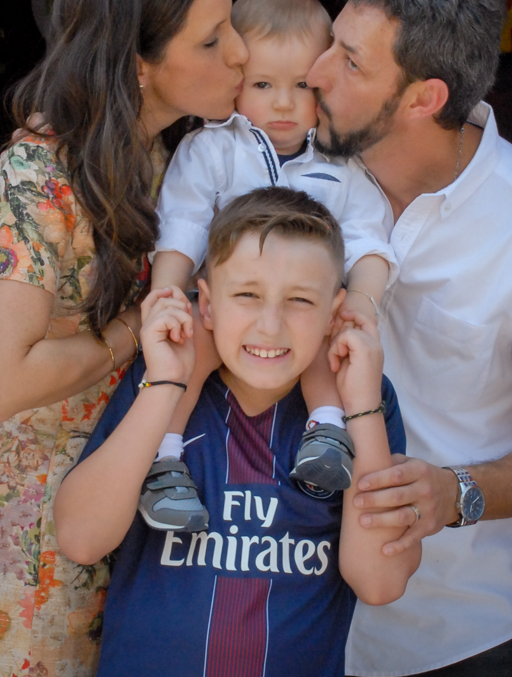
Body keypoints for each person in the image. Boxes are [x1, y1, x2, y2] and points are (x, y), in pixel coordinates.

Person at [0, 0, 248, 677]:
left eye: (231, 26)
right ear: (140, 64)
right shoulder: (41, 172)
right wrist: (132, 335)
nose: (240, 53)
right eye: (212, 41)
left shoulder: (169, 158)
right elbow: (0, 381)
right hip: (36, 529)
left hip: (143, 504)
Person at [305, 0, 512, 677]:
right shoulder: (294, 169)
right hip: (277, 594)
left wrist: (457, 493)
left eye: (349, 63)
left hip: (448, 633)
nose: (316, 75)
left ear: (423, 98)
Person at [54, 187, 420, 677]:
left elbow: (379, 582)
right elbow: (81, 539)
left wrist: (361, 408)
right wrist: (165, 384)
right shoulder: (166, 383)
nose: (270, 326)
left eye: (299, 300)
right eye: (247, 295)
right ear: (205, 304)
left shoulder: (365, 401)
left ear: (335, 313)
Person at [144, 0, 395, 529]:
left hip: (302, 312)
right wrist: (166, 295)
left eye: (301, 86)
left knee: (331, 330)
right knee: (190, 344)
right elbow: (182, 225)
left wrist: (365, 304)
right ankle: (164, 461)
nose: (282, 103)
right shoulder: (214, 149)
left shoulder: (338, 165)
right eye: (263, 85)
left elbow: (370, 240)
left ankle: (327, 433)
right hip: (225, 310)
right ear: (236, 83)